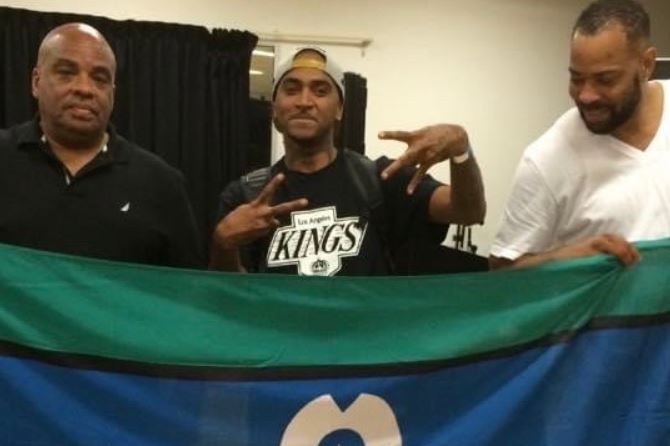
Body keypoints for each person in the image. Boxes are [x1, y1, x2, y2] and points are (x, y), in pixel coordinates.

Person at [210, 46, 485, 276]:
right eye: (292, 90)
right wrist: (223, 244)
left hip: (366, 339)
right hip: (279, 339)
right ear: (274, 109)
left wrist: (461, 149)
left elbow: (468, 212)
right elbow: (230, 298)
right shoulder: (246, 195)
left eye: (320, 91)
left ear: (339, 108)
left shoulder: (379, 179)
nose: (304, 101)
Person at [0, 23, 203, 268]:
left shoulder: (161, 183)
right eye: (66, 73)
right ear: (36, 82)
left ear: (113, 93)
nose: (85, 89)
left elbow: (186, 293)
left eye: (99, 78)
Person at [490, 0, 667, 269]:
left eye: (605, 80)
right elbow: (502, 272)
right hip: (615, 311)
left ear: (646, 64)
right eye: (576, 78)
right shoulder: (546, 159)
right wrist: (568, 258)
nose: (586, 95)